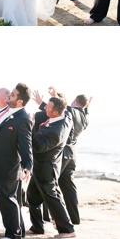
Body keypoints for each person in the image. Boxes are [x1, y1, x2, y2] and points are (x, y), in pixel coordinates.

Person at [0, 83, 33, 239]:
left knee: (8, 201)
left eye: (12, 94)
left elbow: (26, 145)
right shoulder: (7, 112)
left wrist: (28, 165)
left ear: (19, 101)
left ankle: (13, 234)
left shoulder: (23, 119)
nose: (9, 95)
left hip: (7, 166)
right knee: (11, 201)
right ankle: (19, 231)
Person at [32, 87, 90, 225]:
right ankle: (74, 219)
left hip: (59, 153)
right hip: (72, 155)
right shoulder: (85, 117)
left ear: (75, 101)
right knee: (69, 188)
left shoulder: (71, 111)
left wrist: (49, 98)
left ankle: (52, 218)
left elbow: (60, 111)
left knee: (50, 187)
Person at [27, 96, 76, 239]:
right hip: (40, 167)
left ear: (55, 112)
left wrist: (31, 126)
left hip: (46, 169)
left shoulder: (57, 130)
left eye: (48, 107)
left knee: (52, 199)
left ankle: (67, 229)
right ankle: (37, 227)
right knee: (32, 196)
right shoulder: (64, 117)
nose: (45, 108)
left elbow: (40, 146)